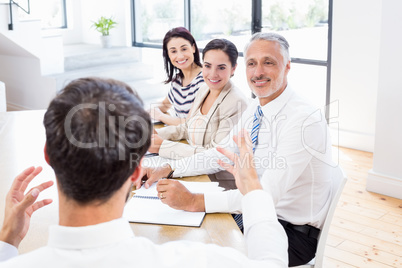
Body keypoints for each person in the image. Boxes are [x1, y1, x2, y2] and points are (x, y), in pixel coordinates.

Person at [0, 77, 288, 267]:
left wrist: (7, 243)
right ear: (138, 172)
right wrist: (253, 192)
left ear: (48, 155)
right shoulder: (199, 261)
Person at [139, 32, 334, 267]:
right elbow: (219, 152)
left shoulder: (304, 120)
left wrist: (195, 201)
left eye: (268, 62)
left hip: (288, 233)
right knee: (177, 236)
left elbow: (263, 197)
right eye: (252, 63)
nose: (258, 72)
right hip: (255, 214)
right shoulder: (257, 108)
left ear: (288, 67)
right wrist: (169, 168)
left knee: (194, 250)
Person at [149, 39, 248, 159]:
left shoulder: (236, 102)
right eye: (207, 66)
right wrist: (156, 135)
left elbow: (216, 154)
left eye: (221, 68)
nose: (212, 74)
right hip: (189, 161)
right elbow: (187, 127)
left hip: (211, 173)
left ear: (233, 68)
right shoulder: (204, 89)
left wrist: (164, 146)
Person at [149, 27, 204, 126]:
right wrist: (140, 112)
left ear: (193, 48)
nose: (180, 56)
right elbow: (164, 105)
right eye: (173, 51)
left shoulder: (204, 80)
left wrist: (161, 116)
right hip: (179, 136)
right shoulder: (178, 80)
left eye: (184, 49)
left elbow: (191, 123)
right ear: (168, 55)